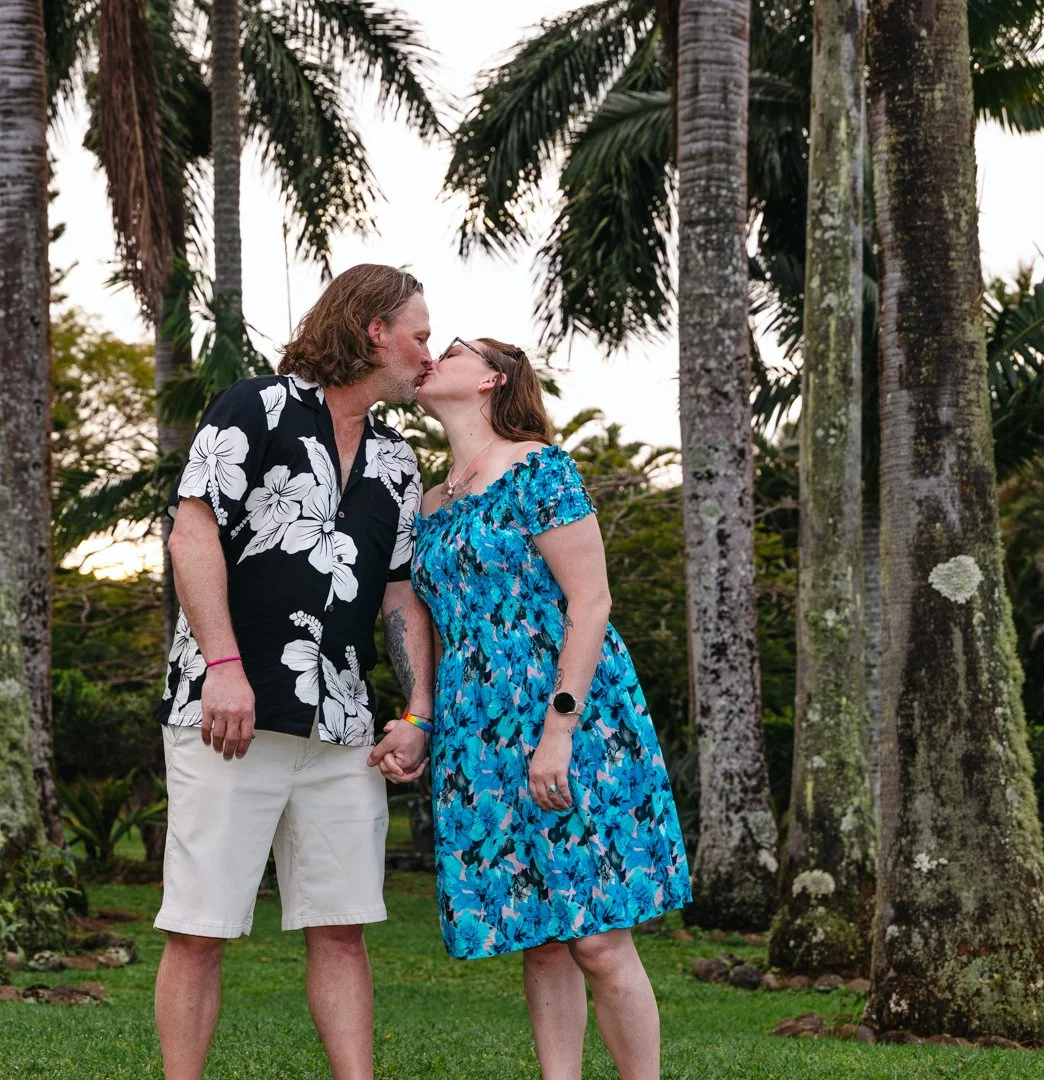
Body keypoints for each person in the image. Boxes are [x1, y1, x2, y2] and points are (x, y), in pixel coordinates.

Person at [154, 264, 438, 1080]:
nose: (426, 353)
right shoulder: (256, 406)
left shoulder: (396, 460)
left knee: (342, 924)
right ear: (374, 329)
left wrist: (418, 710)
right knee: (201, 927)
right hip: (227, 711)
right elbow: (191, 535)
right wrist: (225, 668)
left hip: (343, 725)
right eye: (418, 334)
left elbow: (399, 594)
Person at [381, 336, 692, 1080]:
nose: (431, 355)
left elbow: (590, 602)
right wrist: (419, 718)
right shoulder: (428, 503)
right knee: (542, 935)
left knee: (597, 935)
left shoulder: (539, 468)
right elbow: (421, 622)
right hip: (477, 733)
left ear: (493, 378)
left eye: (450, 348)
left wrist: (558, 730)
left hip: (575, 719)